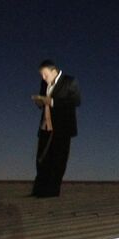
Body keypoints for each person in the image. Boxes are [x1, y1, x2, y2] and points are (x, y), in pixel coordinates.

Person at [30, 58, 81, 198]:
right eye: (41, 75)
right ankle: (38, 190)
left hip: (63, 128)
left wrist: (52, 102)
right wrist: (39, 101)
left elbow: (76, 101)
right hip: (45, 126)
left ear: (54, 71)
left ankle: (52, 192)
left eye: (45, 75)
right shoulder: (43, 83)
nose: (43, 78)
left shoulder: (70, 81)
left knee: (58, 160)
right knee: (41, 159)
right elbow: (43, 103)